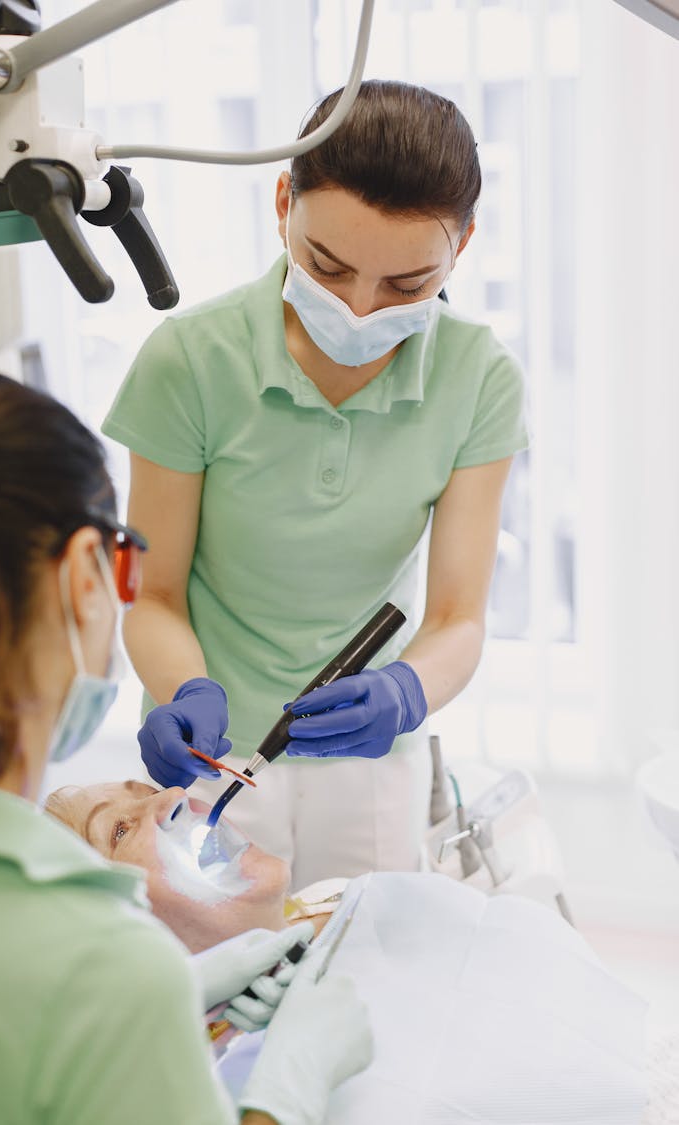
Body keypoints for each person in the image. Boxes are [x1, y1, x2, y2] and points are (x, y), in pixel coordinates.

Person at [102, 79, 528, 887]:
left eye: (408, 285)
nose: (361, 310)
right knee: (216, 975)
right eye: (327, 265)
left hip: (370, 759)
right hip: (214, 745)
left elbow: (457, 617)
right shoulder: (191, 361)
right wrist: (183, 689)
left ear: (462, 247)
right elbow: (152, 595)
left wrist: (406, 690)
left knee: (362, 972)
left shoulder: (480, 377)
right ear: (281, 205)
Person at [0, 370, 372, 1125]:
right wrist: (288, 1084)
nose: (168, 794)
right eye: (121, 827)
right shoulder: (103, 968)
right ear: (83, 576)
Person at [45, 778, 656, 1125]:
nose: (171, 796)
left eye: (147, 788)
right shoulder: (209, 1090)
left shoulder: (349, 896)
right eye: (119, 830)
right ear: (118, 928)